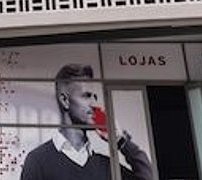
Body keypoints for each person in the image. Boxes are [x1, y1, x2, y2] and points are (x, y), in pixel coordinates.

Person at [18, 64, 156, 180]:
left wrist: (121, 142)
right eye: (87, 96)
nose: (95, 104)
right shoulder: (38, 161)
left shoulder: (106, 166)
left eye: (95, 97)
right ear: (65, 101)